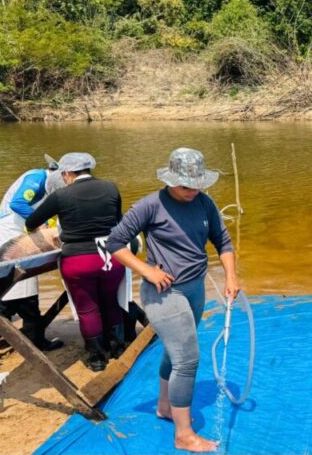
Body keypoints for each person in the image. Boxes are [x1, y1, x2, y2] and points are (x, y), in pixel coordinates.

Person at [105, 148, 239, 453]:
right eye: (186, 186)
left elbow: (224, 242)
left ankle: (165, 406)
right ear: (171, 180)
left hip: (195, 289)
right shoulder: (151, 205)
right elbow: (114, 242)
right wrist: (147, 270)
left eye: (197, 185)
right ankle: (183, 435)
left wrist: (231, 275)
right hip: (163, 292)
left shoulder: (204, 203)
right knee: (188, 359)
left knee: (174, 352)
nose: (192, 191)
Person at [25, 153, 126, 371]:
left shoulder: (61, 195)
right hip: (111, 256)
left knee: (88, 309)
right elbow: (118, 220)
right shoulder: (111, 187)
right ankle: (118, 348)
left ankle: (98, 358)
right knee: (110, 302)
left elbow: (31, 221)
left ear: (68, 173)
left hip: (79, 259)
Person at [0, 156, 66, 351]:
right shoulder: (37, 178)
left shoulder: (47, 186)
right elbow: (18, 204)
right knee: (19, 284)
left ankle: (3, 333)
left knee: (16, 285)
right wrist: (40, 224)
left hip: (21, 230)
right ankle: (28, 337)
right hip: (9, 231)